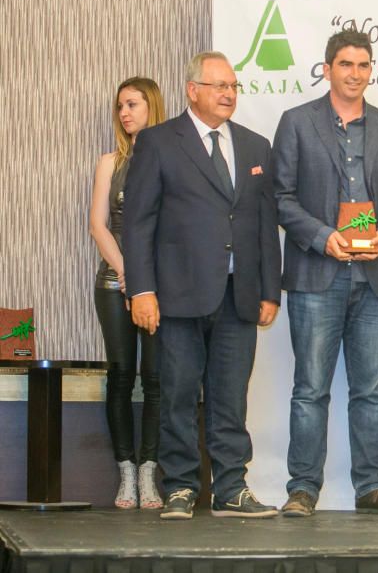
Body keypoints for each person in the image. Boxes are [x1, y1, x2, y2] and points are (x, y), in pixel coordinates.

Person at [123, 51, 282, 520]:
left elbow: (263, 221)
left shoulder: (255, 146)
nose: (228, 94)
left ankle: (232, 488)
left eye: (233, 86)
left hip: (240, 294)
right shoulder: (157, 142)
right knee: (177, 394)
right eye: (218, 86)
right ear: (193, 90)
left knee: (231, 397)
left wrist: (270, 289)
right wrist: (143, 290)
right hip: (175, 295)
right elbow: (137, 224)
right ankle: (180, 489)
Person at [272, 29, 378, 517]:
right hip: (317, 274)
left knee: (371, 391)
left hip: (377, 280)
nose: (356, 73)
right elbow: (281, 197)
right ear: (327, 68)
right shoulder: (296, 122)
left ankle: (371, 487)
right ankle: (303, 489)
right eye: (346, 64)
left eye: (364, 65)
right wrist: (320, 235)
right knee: (310, 389)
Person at [89, 77, 166, 509]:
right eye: (120, 106)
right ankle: (125, 473)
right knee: (121, 375)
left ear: (151, 106)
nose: (124, 113)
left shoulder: (171, 157)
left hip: (157, 286)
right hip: (114, 281)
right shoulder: (109, 162)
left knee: (155, 380)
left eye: (133, 104)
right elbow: (98, 226)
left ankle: (150, 473)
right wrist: (128, 275)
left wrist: (145, 282)